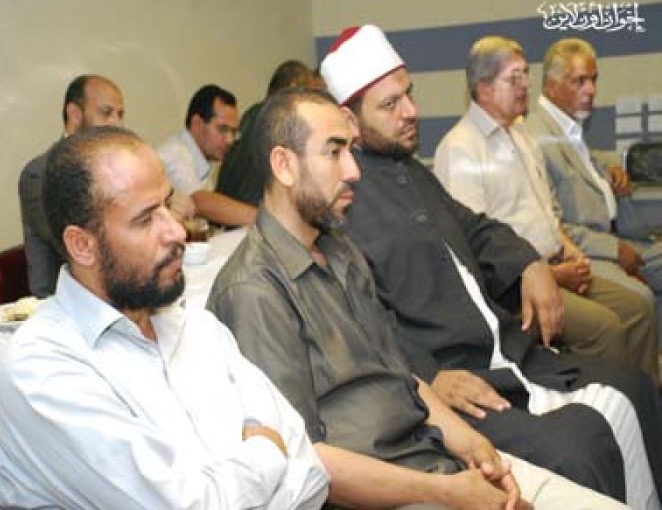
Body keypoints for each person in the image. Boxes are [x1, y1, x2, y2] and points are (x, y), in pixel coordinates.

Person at [208, 87, 628, 510]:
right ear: (283, 165)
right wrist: (445, 491)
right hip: (385, 493)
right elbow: (305, 460)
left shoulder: (340, 251)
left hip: (429, 457)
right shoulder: (253, 291)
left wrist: (473, 445)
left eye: (351, 151)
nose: (353, 171)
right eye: (334, 153)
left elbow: (401, 374)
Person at [320, 24, 662, 508]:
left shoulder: (409, 170)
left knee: (636, 387)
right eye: (390, 104)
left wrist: (529, 265)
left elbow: (475, 228)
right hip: (453, 373)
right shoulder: (339, 199)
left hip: (504, 348)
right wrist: (426, 376)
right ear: (348, 120)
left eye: (409, 95)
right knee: (580, 448)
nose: (411, 111)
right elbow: (359, 314)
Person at [0, 126, 328, 509]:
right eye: (146, 219)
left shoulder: (195, 326)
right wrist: (266, 450)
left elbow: (310, 473)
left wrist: (229, 485)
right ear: (82, 246)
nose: (177, 231)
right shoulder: (40, 373)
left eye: (168, 204)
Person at [432, 36, 657, 381]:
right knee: (606, 329)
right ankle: (611, 409)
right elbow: (474, 254)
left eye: (526, 74)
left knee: (638, 308)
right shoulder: (461, 149)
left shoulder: (521, 137)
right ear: (484, 88)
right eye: (514, 78)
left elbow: (548, 212)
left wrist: (570, 251)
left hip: (556, 265)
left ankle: (644, 402)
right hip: (516, 289)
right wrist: (550, 274)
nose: (526, 85)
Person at [524, 37, 662, 332]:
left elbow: (582, 163)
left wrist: (608, 168)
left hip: (618, 236)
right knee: (640, 300)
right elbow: (554, 224)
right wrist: (614, 249)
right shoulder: (536, 138)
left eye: (593, 79)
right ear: (551, 86)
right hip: (586, 250)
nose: (591, 90)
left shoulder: (567, 127)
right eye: (579, 81)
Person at [18, 74, 124, 297]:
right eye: (106, 113)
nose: (117, 124)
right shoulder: (40, 174)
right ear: (75, 114)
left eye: (120, 114)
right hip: (64, 302)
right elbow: (81, 248)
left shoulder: (115, 168)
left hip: (115, 291)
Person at [216, 59, 318, 206]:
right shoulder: (277, 122)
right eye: (308, 95)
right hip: (251, 210)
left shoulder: (252, 115)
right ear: (292, 88)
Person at [158, 84, 257, 227]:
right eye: (222, 129)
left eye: (233, 132)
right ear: (197, 124)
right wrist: (264, 220)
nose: (230, 140)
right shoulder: (175, 155)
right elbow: (198, 201)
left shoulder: (201, 158)